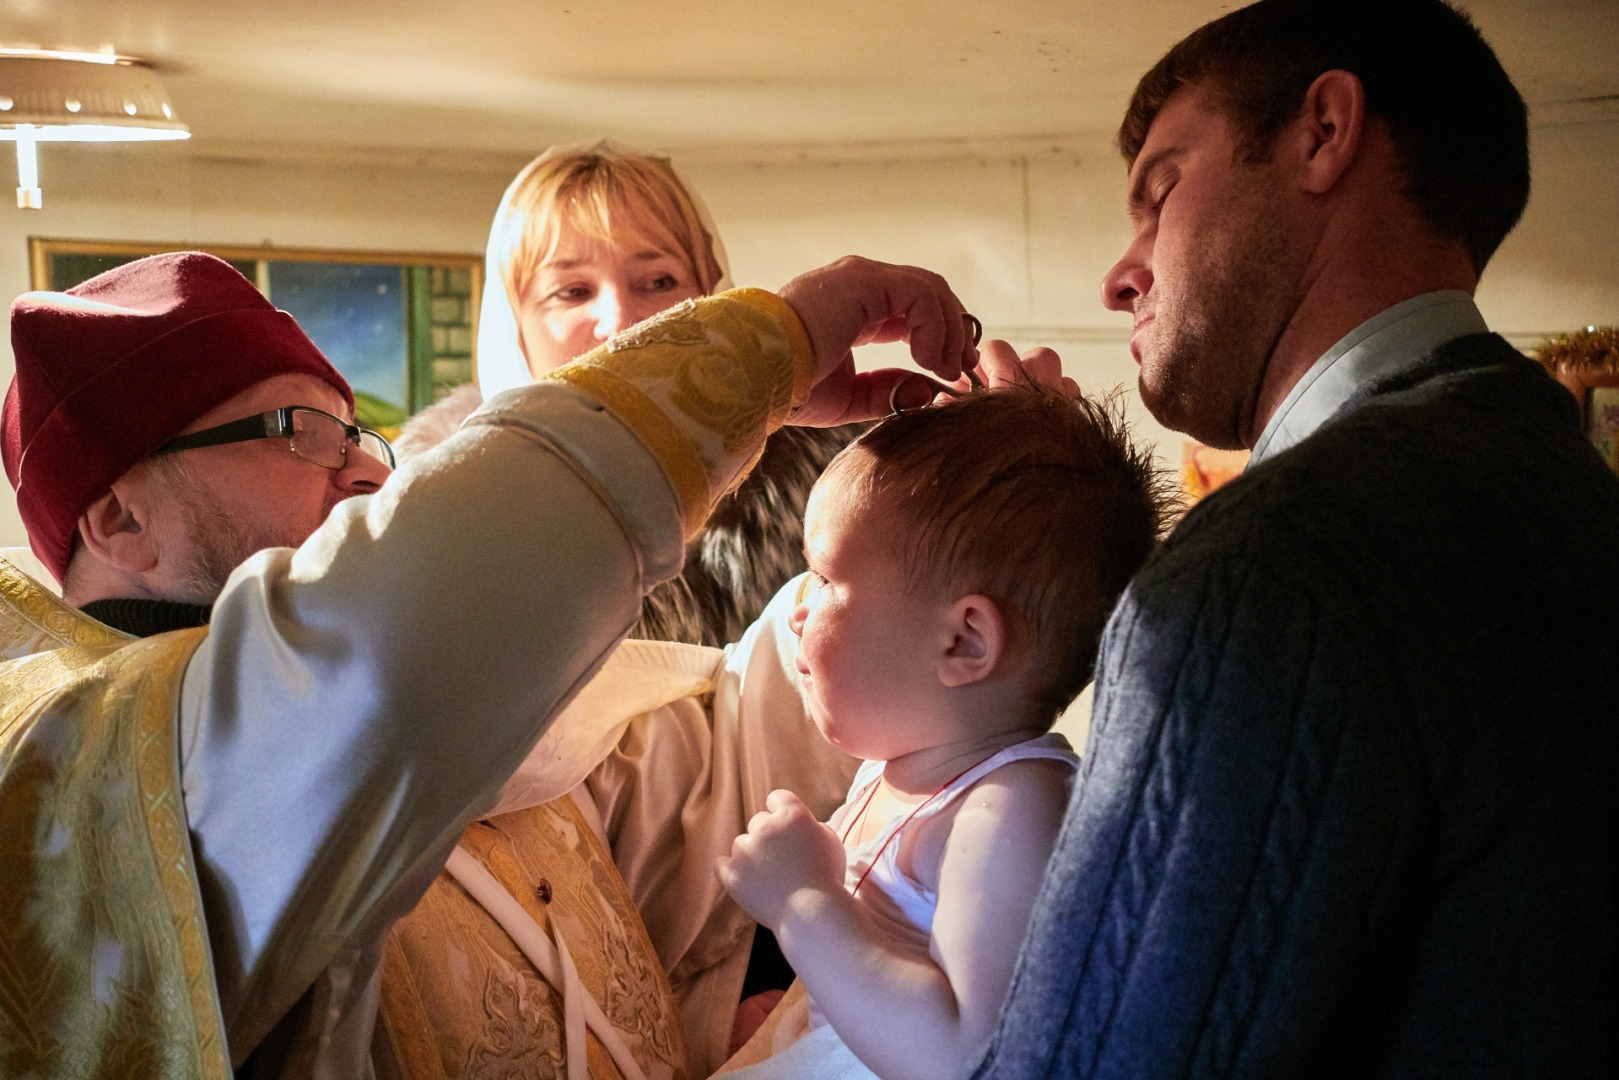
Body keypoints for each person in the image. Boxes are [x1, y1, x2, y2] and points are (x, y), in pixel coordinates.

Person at [0, 247, 980, 1078]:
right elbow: (387, 651)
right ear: (120, 519)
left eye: (356, 432)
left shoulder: (459, 709)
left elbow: (723, 756)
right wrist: (770, 345)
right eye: (296, 431)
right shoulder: (103, 762)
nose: (365, 470)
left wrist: (960, 532)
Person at [965, 3, 1619, 1078]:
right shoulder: (1550, 480)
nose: (1117, 276)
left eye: (1160, 191)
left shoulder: (1273, 570)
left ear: (1322, 131)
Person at [382, 142, 869, 1078]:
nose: (623, 320)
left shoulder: (834, 485)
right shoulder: (431, 520)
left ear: (717, 297)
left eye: (658, 279)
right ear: (510, 320)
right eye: (570, 292)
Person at [712, 384, 1167, 1080]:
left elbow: (966, 1057)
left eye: (824, 577)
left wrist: (804, 906)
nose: (796, 610)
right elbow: (882, 965)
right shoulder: (900, 766)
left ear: (963, 641)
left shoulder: (1008, 811)